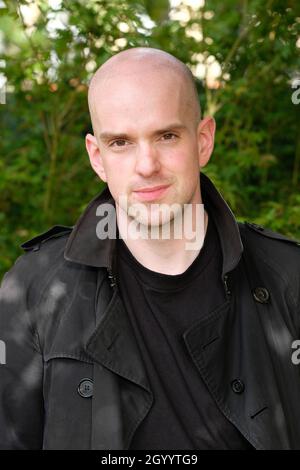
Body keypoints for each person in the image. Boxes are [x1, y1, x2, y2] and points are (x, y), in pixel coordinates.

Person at [0, 47, 300, 450]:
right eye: (121, 142)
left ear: (204, 140)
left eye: (167, 135)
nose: (146, 165)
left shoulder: (287, 278)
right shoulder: (35, 289)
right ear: (97, 157)